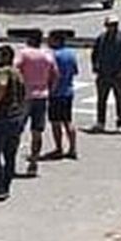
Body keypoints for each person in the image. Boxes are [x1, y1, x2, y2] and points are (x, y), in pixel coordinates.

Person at [0, 45, 26, 200]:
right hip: (15, 117)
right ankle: (6, 185)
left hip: (2, 116)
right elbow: (24, 95)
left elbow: (1, 86)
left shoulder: (4, 72)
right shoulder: (18, 73)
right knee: (10, 154)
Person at [15, 30, 58, 178]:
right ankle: (34, 162)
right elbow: (55, 75)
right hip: (42, 95)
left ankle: (11, 160)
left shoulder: (24, 53)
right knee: (37, 131)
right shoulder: (48, 55)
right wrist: (49, 89)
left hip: (25, 96)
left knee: (17, 129)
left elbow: (15, 69)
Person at [91, 15, 121, 133]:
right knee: (101, 99)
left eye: (115, 24)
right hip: (103, 74)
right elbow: (94, 53)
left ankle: (120, 123)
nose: (112, 27)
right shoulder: (101, 38)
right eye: (110, 25)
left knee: (120, 99)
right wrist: (95, 66)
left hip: (118, 74)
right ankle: (100, 122)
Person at [46, 30, 80, 160]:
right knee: (68, 121)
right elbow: (75, 71)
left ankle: (59, 148)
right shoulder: (71, 54)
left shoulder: (54, 55)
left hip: (56, 93)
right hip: (68, 91)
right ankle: (72, 148)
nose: (48, 42)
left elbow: (51, 74)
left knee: (55, 122)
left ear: (56, 40)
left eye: (50, 39)